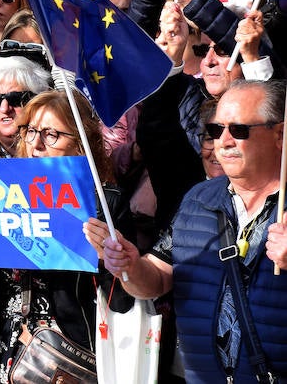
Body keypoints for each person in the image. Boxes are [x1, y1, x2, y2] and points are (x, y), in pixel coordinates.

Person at [90, 80, 287, 384]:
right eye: (214, 131)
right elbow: (155, 279)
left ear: (279, 134)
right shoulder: (197, 199)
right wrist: (130, 266)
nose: (224, 141)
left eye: (239, 130)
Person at [0, 90, 117, 383]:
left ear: (81, 143)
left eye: (51, 134)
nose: (37, 143)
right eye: (30, 131)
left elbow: (124, 297)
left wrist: (108, 259)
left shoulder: (105, 203)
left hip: (67, 358)